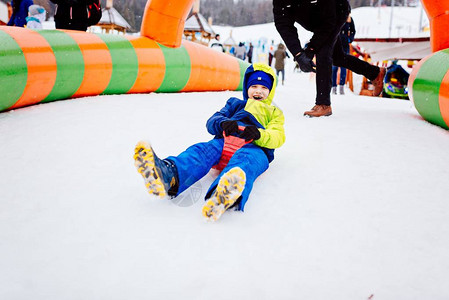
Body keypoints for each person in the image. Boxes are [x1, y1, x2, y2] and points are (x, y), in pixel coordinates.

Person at [133, 63, 285, 222]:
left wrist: (260, 135)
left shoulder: (274, 112)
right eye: (254, 85)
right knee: (201, 152)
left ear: (270, 91)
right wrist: (223, 123)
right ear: (247, 87)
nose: (258, 91)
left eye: (264, 87)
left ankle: (225, 193)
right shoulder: (235, 104)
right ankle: (168, 175)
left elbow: (278, 136)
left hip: (254, 148)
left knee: (246, 163)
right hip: (224, 142)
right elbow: (212, 121)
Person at [273, 0, 386, 117]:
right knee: (337, 57)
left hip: (336, 12)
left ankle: (323, 104)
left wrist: (311, 49)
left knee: (323, 52)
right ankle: (375, 73)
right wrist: (298, 54)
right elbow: (283, 25)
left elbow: (328, 23)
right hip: (317, 21)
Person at [332, 15, 355, 95]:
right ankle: (333, 88)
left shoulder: (349, 18)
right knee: (334, 67)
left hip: (345, 45)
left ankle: (341, 87)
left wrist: (350, 39)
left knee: (343, 67)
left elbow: (353, 31)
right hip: (335, 44)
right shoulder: (335, 16)